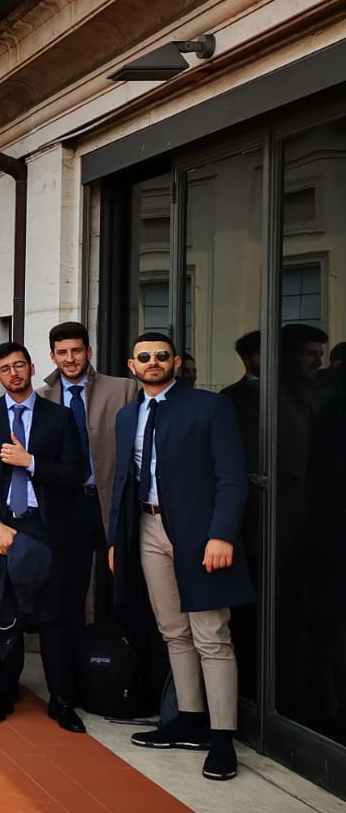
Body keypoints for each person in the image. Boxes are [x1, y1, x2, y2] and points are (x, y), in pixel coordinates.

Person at [110, 332, 252, 781]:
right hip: (148, 529)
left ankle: (222, 734)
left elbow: (232, 476)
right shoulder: (127, 414)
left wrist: (222, 535)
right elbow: (123, 483)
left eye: (161, 356)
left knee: (211, 632)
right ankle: (188, 717)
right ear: (132, 366)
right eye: (144, 357)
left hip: (199, 535)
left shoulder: (209, 407)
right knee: (172, 629)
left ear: (176, 362)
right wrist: (118, 539)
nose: (153, 362)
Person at [0, 341, 88, 732]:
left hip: (45, 527)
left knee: (53, 618)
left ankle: (62, 700)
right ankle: (1, 694)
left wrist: (30, 462)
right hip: (0, 526)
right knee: (1, 616)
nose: (13, 373)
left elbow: (74, 474)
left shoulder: (59, 417)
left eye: (19, 365)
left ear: (32, 368)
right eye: (5, 369)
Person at [39, 320, 137, 664]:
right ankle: (78, 668)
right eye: (62, 352)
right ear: (52, 356)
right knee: (72, 591)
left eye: (76, 350)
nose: (70, 358)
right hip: (69, 507)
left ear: (89, 352)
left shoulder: (124, 390)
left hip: (114, 502)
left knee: (123, 585)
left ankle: (124, 667)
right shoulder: (42, 398)